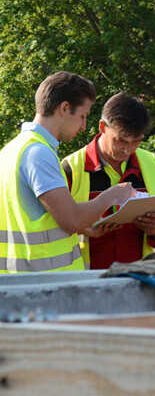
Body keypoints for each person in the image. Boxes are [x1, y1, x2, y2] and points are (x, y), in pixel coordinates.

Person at [0, 72, 135, 273]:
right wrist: (112, 196)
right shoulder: (38, 153)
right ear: (64, 108)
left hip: (20, 283)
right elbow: (71, 219)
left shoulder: (11, 150)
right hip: (45, 286)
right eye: (82, 116)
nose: (83, 126)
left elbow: (33, 218)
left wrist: (83, 227)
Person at [62, 92, 155, 269]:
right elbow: (52, 226)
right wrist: (82, 228)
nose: (128, 149)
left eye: (136, 141)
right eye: (121, 140)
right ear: (102, 127)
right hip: (86, 283)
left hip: (138, 280)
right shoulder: (71, 168)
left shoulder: (152, 164)